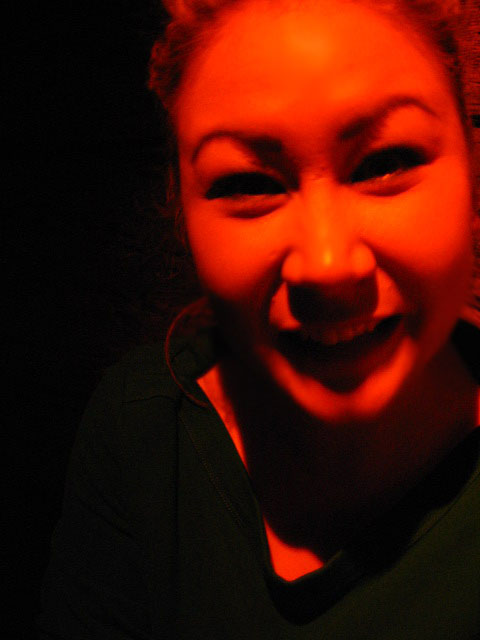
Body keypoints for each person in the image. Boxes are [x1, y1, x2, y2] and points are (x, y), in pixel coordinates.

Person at [38, 0, 480, 637]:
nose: (326, 264)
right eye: (248, 184)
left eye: (385, 163)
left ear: (470, 165)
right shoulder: (143, 431)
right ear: (181, 211)